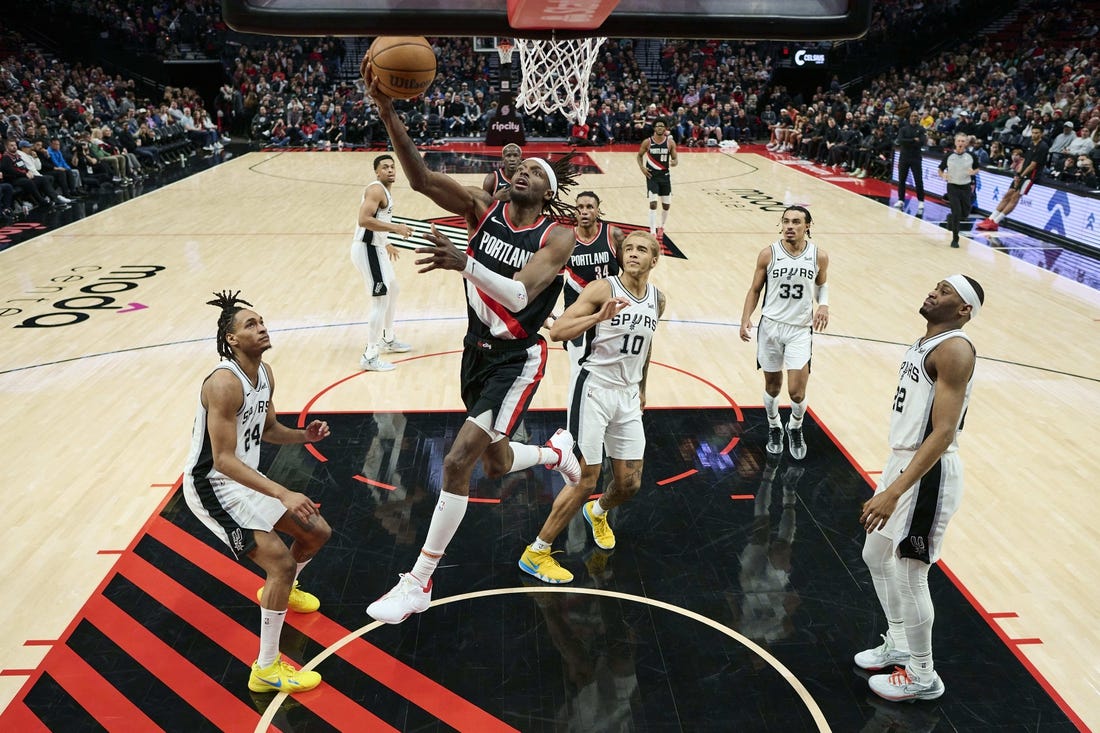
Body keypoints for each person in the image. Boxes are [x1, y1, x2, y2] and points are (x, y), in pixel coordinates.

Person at [364, 76, 584, 624]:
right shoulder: (481, 206)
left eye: (533, 171)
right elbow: (418, 178)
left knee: (459, 460)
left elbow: (517, 292)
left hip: (517, 359)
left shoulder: (556, 236)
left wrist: (463, 261)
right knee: (495, 460)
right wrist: (389, 113)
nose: (521, 171)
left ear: (545, 190)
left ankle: (418, 582)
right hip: (476, 351)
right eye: (517, 168)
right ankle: (557, 455)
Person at [183, 291, 333, 694]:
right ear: (231, 339)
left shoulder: (264, 373)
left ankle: (283, 591)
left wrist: (305, 435)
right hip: (213, 486)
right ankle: (266, 668)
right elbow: (223, 460)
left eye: (262, 321)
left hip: (244, 479)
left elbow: (268, 430)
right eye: (250, 324)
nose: (262, 327)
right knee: (279, 563)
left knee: (317, 532)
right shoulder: (223, 383)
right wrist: (283, 492)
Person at [855, 275, 984, 703]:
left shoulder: (955, 349)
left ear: (964, 310)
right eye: (935, 286)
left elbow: (944, 431)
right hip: (904, 463)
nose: (933, 292)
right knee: (874, 552)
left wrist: (895, 491)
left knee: (912, 573)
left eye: (946, 292)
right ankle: (899, 643)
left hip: (928, 473)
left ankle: (922, 674)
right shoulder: (929, 341)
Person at [518, 231, 665, 583]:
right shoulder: (603, 289)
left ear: (654, 260)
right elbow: (560, 331)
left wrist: (642, 387)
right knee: (586, 478)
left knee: (629, 483)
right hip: (594, 389)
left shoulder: (658, 300)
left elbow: (646, 347)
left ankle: (596, 512)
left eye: (641, 250)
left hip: (628, 396)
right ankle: (536, 551)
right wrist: (598, 318)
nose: (632, 254)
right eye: (628, 248)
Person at [739, 205, 830, 460]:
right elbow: (755, 289)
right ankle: (774, 425)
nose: (790, 226)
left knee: (797, 392)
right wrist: (746, 318)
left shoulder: (818, 256)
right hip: (770, 327)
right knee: (772, 386)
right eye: (786, 221)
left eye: (796, 222)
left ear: (807, 226)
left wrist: (823, 304)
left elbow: (822, 285)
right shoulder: (768, 254)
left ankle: (796, 427)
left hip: (800, 330)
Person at [352, 154, 416, 372]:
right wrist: (396, 229)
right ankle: (370, 354)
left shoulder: (385, 191)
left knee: (394, 289)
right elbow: (364, 220)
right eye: (385, 167)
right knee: (380, 299)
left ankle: (388, 338)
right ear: (377, 172)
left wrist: (386, 242)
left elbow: (378, 220)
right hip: (367, 249)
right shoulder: (376, 189)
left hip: (377, 247)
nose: (390, 170)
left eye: (392, 167)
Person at [555, 191, 624, 369]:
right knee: (575, 348)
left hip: (608, 297)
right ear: (575, 212)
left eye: (589, 207)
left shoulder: (613, 234)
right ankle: (577, 381)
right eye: (580, 207)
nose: (584, 211)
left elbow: (628, 273)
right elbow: (551, 276)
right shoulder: (565, 239)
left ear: (597, 211)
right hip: (577, 294)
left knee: (608, 349)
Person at [976, 126, 1049, 231]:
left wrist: (1021, 175)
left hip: (1031, 176)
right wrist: (1018, 172)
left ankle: (996, 222)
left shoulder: (1042, 147)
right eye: (1033, 132)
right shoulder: (1031, 143)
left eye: (1037, 133)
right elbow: (1025, 160)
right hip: (1022, 173)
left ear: (1041, 134)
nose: (1034, 135)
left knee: (1015, 198)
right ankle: (990, 219)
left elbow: (1033, 165)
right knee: (1007, 195)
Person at [938, 133, 981, 248]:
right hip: (952, 186)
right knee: (956, 212)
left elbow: (977, 168)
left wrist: (974, 172)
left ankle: (950, 218)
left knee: (965, 213)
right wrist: (943, 175)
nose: (961, 143)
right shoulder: (949, 156)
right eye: (959, 141)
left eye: (963, 141)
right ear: (955, 142)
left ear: (966, 143)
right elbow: (940, 169)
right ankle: (955, 239)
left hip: (965, 187)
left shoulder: (971, 156)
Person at [637, 118, 678, 239]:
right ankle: (652, 231)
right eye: (658, 126)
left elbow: (675, 158)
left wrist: (675, 162)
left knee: (666, 205)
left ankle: (662, 226)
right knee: (653, 203)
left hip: (665, 176)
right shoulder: (647, 142)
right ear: (654, 128)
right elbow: (639, 156)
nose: (660, 128)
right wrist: (642, 168)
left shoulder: (670, 143)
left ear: (665, 128)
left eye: (662, 126)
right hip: (652, 176)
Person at [894, 111, 927, 214]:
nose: (914, 117)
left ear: (918, 118)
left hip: (916, 158)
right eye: (912, 115)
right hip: (904, 157)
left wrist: (908, 141)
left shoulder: (921, 129)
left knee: (918, 180)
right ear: (909, 117)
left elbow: (922, 142)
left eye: (916, 116)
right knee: (901, 179)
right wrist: (913, 140)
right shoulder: (903, 129)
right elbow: (900, 141)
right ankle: (901, 200)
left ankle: (921, 201)